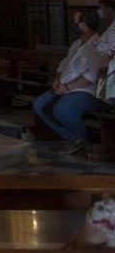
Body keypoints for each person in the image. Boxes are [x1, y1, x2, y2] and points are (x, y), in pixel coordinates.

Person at [31, 9, 109, 155]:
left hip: (86, 91)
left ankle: (85, 135)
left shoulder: (98, 46)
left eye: (75, 21)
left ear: (84, 25)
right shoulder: (76, 44)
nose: (72, 24)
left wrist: (66, 87)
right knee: (39, 105)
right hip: (64, 86)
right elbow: (64, 64)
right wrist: (57, 80)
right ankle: (75, 137)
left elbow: (90, 77)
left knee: (61, 110)